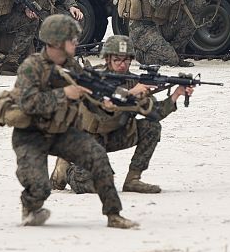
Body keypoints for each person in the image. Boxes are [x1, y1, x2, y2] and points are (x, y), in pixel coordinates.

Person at [11, 14, 137, 229]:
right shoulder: (31, 67)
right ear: (57, 42)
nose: (76, 43)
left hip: (62, 131)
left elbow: (90, 90)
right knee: (40, 188)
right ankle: (31, 207)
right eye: (72, 39)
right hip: (31, 135)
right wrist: (64, 93)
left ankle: (114, 214)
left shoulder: (71, 65)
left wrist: (106, 103)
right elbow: (27, 103)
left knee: (98, 157)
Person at [54, 34, 192, 195]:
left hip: (116, 134)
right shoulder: (93, 78)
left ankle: (133, 180)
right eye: (117, 60)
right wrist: (132, 93)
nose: (122, 65)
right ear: (107, 59)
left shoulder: (133, 81)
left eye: (126, 60)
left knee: (151, 127)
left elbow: (153, 112)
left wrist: (176, 95)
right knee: (90, 187)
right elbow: (103, 108)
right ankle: (65, 170)